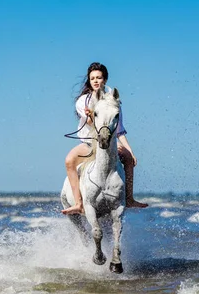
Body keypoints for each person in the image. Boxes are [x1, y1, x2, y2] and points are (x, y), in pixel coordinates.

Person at [62, 62, 148, 215]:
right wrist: (91, 115)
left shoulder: (114, 101)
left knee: (128, 158)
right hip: (89, 143)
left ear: (105, 80)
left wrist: (130, 150)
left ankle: (129, 198)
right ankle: (78, 203)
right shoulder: (83, 101)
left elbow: (119, 130)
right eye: (92, 78)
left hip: (110, 143)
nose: (95, 81)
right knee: (69, 160)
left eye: (99, 77)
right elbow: (90, 123)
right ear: (89, 81)